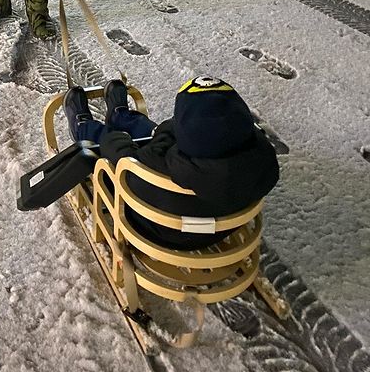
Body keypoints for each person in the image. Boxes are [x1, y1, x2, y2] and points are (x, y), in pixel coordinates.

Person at [63, 76, 279, 250]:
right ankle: (121, 115)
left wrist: (116, 142)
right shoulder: (263, 160)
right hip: (220, 231)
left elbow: (124, 157)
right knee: (155, 132)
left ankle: (85, 127)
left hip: (156, 231)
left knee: (115, 140)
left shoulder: (154, 167)